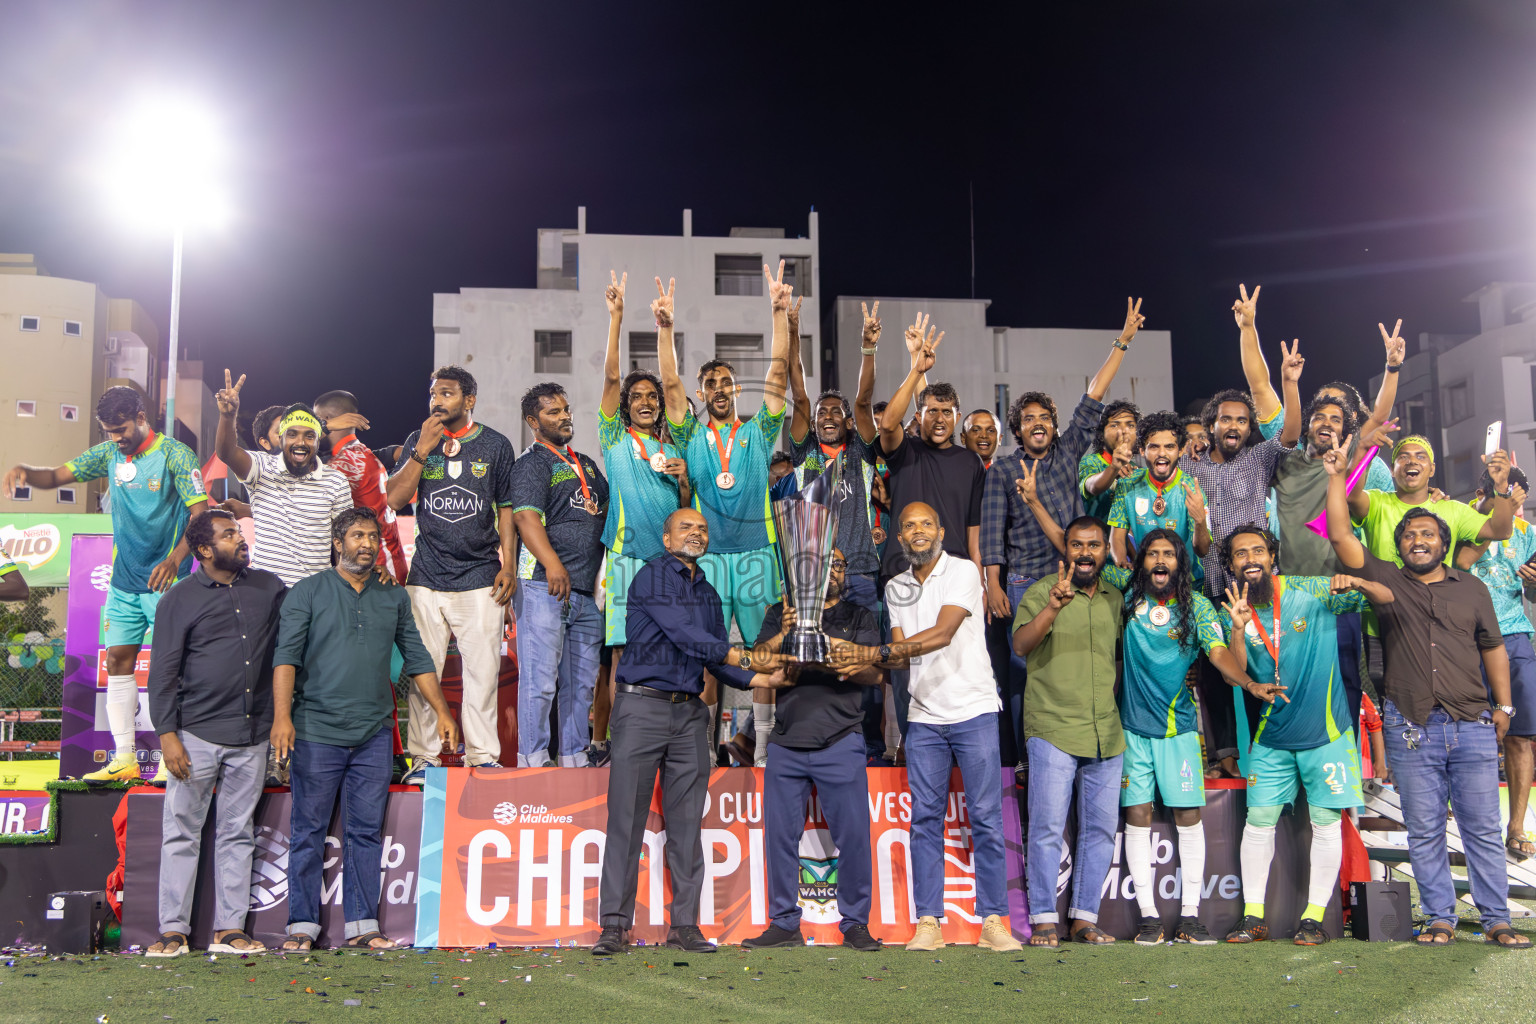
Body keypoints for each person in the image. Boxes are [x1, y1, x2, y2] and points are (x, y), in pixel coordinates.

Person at [1325, 452, 1531, 947]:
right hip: (1411, 725)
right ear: (1399, 548)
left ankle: (1496, 920)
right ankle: (1439, 916)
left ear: (1445, 542)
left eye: (1428, 535)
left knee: (1482, 828)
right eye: (1410, 536)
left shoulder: (1473, 588)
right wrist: (1336, 477)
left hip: (1473, 723)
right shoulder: (1389, 582)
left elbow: (1493, 647)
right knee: (1424, 829)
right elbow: (1339, 535)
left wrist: (1503, 708)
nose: (1419, 540)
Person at [591, 508, 789, 956]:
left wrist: (760, 681)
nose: (697, 533)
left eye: (702, 528)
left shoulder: (711, 592)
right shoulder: (651, 578)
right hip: (641, 708)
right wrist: (749, 661)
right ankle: (614, 926)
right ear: (666, 538)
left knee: (687, 827)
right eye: (686, 527)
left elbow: (714, 660)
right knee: (626, 822)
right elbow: (686, 637)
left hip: (689, 716)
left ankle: (685, 924)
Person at [271, 507, 457, 951]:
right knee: (308, 830)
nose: (367, 544)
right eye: (357, 536)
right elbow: (285, 659)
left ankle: (363, 927)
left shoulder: (393, 597)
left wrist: (444, 712)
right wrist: (282, 718)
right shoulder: (307, 591)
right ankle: (300, 925)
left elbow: (417, 659)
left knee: (365, 832)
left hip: (373, 734)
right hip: (315, 731)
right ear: (338, 543)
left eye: (373, 536)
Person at [843, 501, 1022, 953]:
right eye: (909, 526)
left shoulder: (963, 571)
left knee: (984, 818)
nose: (918, 531)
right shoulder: (895, 586)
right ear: (899, 538)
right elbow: (901, 654)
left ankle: (994, 921)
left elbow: (942, 634)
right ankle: (928, 921)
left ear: (940, 531)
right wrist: (874, 656)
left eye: (926, 524)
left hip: (974, 710)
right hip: (923, 718)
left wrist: (867, 655)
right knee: (925, 821)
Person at [4, 385, 208, 782]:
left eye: (122, 429)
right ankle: (125, 758)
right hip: (124, 584)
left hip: (169, 581)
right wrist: (27, 472)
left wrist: (174, 559)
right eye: (109, 431)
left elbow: (199, 517)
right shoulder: (109, 454)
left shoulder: (175, 455)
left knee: (170, 669)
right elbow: (57, 475)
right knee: (117, 663)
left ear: (141, 418)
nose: (116, 438)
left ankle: (172, 759)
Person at [1096, 530, 1283, 945]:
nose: (1160, 561)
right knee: (1137, 816)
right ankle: (1147, 916)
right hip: (1130, 731)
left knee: (1188, 818)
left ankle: (1191, 916)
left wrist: (1249, 684)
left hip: (1178, 731)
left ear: (1181, 562)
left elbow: (1217, 653)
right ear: (1141, 560)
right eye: (1152, 554)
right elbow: (1090, 553)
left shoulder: (1196, 606)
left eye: (1169, 554)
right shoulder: (1124, 598)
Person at [980, 298, 1145, 768]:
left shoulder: (1070, 451)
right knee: (1022, 676)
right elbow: (992, 532)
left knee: (1076, 667)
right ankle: (1026, 760)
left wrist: (1124, 341)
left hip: (1077, 579)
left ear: (1054, 426)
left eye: (1044, 417)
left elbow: (1094, 395)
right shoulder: (1004, 470)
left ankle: (1081, 748)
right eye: (1028, 418)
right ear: (1017, 428)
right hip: (1022, 581)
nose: (1038, 423)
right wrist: (993, 585)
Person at [655, 268, 791, 764]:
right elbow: (669, 383)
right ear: (702, 389)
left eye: (726, 382)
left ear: (736, 390)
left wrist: (778, 311)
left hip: (756, 556)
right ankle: (706, 752)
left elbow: (777, 376)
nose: (718, 388)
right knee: (710, 653)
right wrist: (665, 329)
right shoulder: (690, 435)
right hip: (708, 559)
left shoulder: (757, 433)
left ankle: (763, 750)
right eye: (710, 382)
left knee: (763, 653)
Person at [1215, 522, 1369, 946]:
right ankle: (1252, 917)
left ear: (1272, 556)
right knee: (1258, 824)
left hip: (1328, 735)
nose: (1250, 559)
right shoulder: (1232, 607)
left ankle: (1314, 918)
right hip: (1271, 736)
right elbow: (1238, 672)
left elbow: (1371, 596)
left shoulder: (1310, 589)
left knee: (1324, 823)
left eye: (1257, 551)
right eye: (1241, 554)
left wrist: (1349, 580)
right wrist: (1237, 626)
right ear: (1231, 565)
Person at [144, 509, 286, 957]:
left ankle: (229, 930)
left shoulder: (269, 587)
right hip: (195, 737)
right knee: (182, 831)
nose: (241, 540)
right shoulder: (179, 599)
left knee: (237, 832)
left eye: (240, 533)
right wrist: (167, 735)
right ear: (204, 550)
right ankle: (173, 930)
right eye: (229, 535)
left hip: (253, 735)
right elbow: (162, 673)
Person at [740, 548, 883, 951]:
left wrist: (837, 658)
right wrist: (787, 635)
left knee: (854, 837)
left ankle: (855, 923)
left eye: (839, 564)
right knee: (779, 839)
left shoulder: (860, 617)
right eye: (824, 565)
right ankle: (784, 923)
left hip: (841, 739)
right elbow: (760, 666)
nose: (832, 572)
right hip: (786, 742)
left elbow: (873, 673)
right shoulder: (779, 613)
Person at [1182, 297, 1302, 776]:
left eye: (1242, 420)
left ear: (1250, 428)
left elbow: (1291, 430)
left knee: (1261, 667)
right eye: (1225, 418)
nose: (1233, 425)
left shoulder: (1259, 459)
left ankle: (1267, 752)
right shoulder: (1189, 465)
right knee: (1213, 674)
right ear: (1209, 426)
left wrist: (1289, 384)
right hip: (1211, 582)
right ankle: (1225, 757)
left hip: (1257, 584)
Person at [386, 365, 519, 780]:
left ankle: (482, 757)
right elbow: (394, 498)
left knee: (483, 674)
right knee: (425, 672)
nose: (436, 401)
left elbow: (507, 510)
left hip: (480, 575)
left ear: (469, 400)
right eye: (432, 394)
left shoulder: (496, 445)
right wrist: (421, 449)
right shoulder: (418, 439)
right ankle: (424, 759)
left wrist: (509, 565)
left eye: (446, 394)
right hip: (426, 577)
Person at [1012, 516, 1124, 947]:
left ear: (1103, 551)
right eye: (1077, 545)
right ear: (1066, 550)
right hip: (1054, 726)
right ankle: (1043, 917)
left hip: (1106, 731)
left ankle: (1083, 918)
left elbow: (1116, 659)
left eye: (1094, 545)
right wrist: (1054, 607)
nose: (1085, 553)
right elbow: (1020, 647)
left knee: (1098, 830)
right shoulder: (1044, 590)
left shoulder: (1115, 597)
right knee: (1047, 827)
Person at [510, 382, 610, 767]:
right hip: (542, 586)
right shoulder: (532, 462)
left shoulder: (585, 463)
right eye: (554, 412)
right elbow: (525, 517)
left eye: (566, 409)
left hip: (585, 592)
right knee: (540, 682)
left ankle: (573, 756)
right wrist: (553, 563)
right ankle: (532, 758)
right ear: (534, 422)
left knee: (581, 685)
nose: (565, 416)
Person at [596, 270, 690, 662]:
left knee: (669, 647)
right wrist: (616, 317)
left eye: (652, 396)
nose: (646, 402)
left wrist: (684, 478)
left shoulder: (673, 447)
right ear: (625, 405)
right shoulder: (614, 437)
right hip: (625, 554)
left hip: (668, 558)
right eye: (636, 398)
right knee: (623, 650)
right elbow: (612, 376)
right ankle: (624, 726)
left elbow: (686, 502)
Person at [785, 299, 883, 615]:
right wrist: (793, 329)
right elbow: (799, 392)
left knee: (864, 651)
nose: (828, 416)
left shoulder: (861, 451)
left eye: (836, 412)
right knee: (816, 657)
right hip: (813, 569)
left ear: (847, 421)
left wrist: (868, 349)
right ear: (813, 422)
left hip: (860, 567)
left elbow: (864, 400)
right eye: (821, 412)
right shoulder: (804, 452)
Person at [1459, 468, 1536, 859]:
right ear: (1483, 493)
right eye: (1504, 492)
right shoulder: (1461, 523)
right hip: (1466, 641)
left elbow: (1535, 596)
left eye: (1517, 494)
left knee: (1522, 736)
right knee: (1474, 736)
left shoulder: (1529, 534)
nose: (1513, 500)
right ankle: (1478, 826)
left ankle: (1517, 825)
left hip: (1515, 636)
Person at [214, 379, 353, 587]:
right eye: (292, 434)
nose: (300, 442)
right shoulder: (261, 467)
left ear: (317, 441)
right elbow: (226, 453)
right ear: (282, 438)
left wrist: (348, 584)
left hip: (313, 596)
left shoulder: (336, 480)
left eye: (309, 436)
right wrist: (227, 416)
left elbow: (345, 539)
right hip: (265, 594)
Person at [313, 390, 408, 580]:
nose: (311, 430)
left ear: (326, 420)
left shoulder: (341, 464)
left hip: (375, 568)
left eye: (315, 422)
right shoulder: (362, 453)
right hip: (388, 558)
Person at [1107, 411, 1210, 570]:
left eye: (1169, 446)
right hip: (1146, 579)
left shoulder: (1191, 490)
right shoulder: (1128, 483)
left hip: (1187, 582)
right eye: (1154, 447)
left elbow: (1202, 551)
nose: (1162, 453)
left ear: (1181, 450)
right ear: (1142, 450)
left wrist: (1200, 521)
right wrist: (1122, 562)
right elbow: (1118, 536)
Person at [1078, 399, 1141, 523]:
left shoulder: (1137, 469)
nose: (1123, 430)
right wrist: (1114, 468)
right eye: (1114, 425)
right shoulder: (1090, 462)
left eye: (1130, 425)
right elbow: (1092, 487)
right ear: (1101, 434)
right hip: (1097, 539)